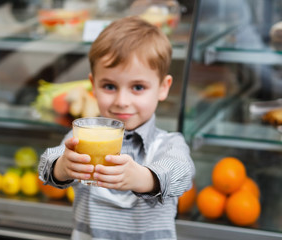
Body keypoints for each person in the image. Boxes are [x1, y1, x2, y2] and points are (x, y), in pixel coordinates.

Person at [38, 16, 195, 240]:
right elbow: (47, 163)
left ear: (163, 88)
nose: (122, 101)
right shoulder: (80, 137)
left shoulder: (168, 143)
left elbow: (182, 174)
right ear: (93, 86)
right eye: (109, 86)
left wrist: (144, 178)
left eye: (138, 87)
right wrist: (61, 167)